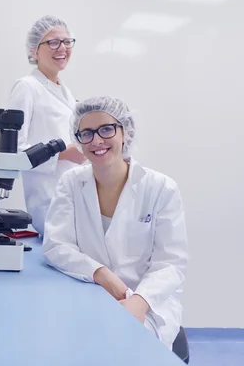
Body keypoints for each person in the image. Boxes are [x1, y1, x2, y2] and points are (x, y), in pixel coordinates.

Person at [41, 96, 189, 349]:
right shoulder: (71, 182)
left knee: (125, 344)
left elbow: (170, 263)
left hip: (149, 300)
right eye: (86, 133)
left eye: (106, 129)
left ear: (125, 133)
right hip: (89, 291)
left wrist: (139, 302)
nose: (97, 141)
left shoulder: (160, 187)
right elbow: (57, 244)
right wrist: (100, 273)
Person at [7, 15, 86, 237]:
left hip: (72, 194)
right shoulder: (26, 87)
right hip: (47, 201)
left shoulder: (66, 93)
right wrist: (63, 154)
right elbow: (14, 151)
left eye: (67, 41)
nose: (62, 48)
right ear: (34, 50)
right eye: (53, 42)